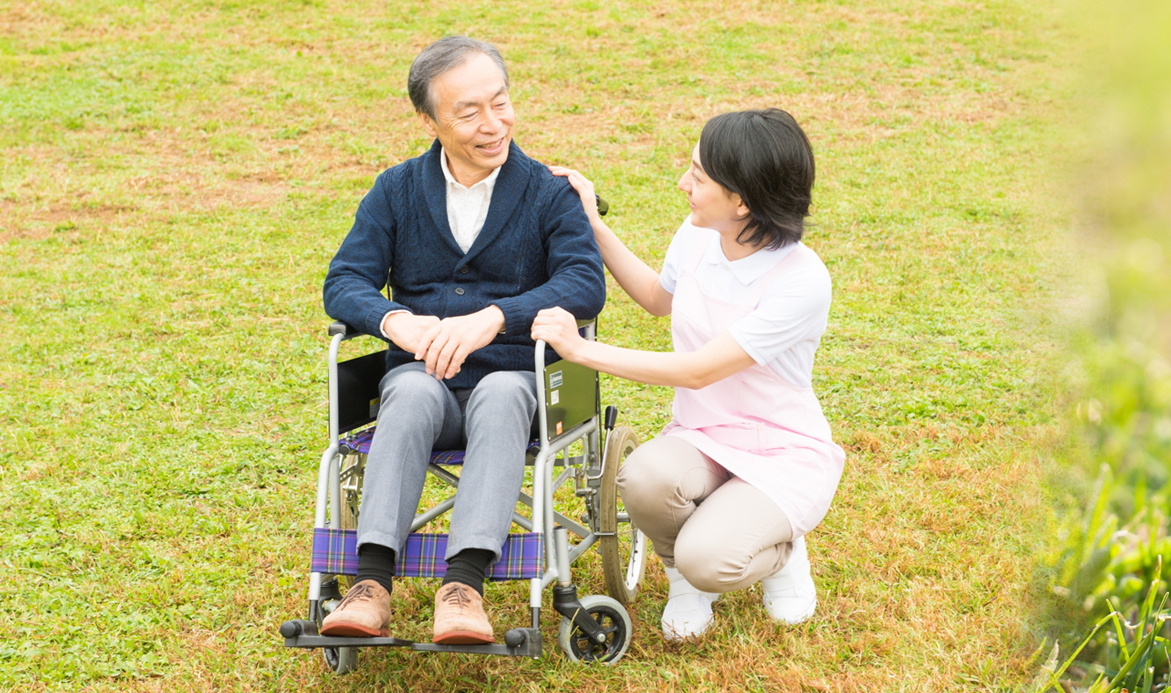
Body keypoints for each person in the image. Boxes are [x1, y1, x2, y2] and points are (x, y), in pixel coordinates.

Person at [318, 36, 605, 645]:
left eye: (500, 104)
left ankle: (463, 587)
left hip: (516, 385)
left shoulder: (547, 192)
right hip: (428, 381)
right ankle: (370, 584)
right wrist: (398, 322)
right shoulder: (396, 190)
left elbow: (584, 282)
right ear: (429, 121)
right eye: (469, 112)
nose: (491, 124)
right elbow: (344, 281)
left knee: (501, 393)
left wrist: (499, 316)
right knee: (412, 392)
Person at [531, 108, 843, 639]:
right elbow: (658, 299)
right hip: (703, 435)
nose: (684, 184)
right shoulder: (700, 233)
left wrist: (581, 351)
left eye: (698, 177)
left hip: (779, 450)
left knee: (712, 559)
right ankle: (685, 580)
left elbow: (698, 371)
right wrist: (594, 225)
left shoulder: (801, 281)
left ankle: (781, 552)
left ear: (742, 201)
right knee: (645, 480)